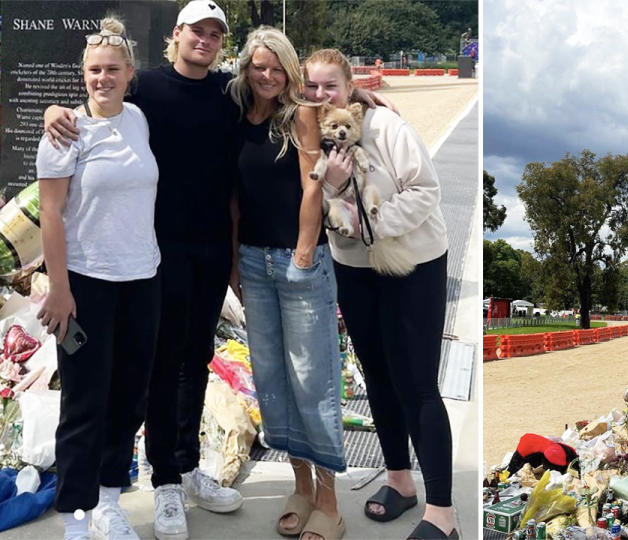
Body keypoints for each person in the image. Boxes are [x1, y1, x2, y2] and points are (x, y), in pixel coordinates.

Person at [42, 4, 393, 538]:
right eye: (196, 31)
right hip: (155, 255)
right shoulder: (146, 91)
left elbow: (289, 96)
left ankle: (186, 469)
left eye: (214, 34)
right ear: (177, 35)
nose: (205, 40)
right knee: (159, 369)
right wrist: (53, 112)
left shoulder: (231, 93)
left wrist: (356, 96)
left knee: (196, 359)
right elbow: (96, 100)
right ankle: (163, 482)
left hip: (211, 251)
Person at [303, 48, 459, 540]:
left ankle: (443, 513)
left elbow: (425, 190)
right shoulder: (311, 132)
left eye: (331, 85)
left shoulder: (387, 128)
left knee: (417, 382)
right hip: (355, 268)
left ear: (350, 86)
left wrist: (368, 227)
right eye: (314, 87)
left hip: (412, 261)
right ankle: (399, 481)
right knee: (378, 377)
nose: (322, 95)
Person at [36, 17, 161, 540]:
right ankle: (77, 515)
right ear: (82, 74)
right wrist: (60, 289)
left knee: (129, 396)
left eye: (112, 69)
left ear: (130, 73)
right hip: (87, 282)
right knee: (85, 401)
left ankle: (111, 499)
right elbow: (50, 212)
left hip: (143, 276)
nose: (102, 78)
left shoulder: (137, 118)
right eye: (94, 71)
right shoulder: (66, 131)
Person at [228, 28, 347, 540]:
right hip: (252, 261)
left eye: (277, 67)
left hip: (299, 260)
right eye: (259, 66)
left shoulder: (299, 114)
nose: (268, 75)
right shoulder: (235, 113)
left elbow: (311, 182)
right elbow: (232, 194)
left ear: (290, 69)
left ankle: (329, 499)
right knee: (272, 378)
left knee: (313, 378)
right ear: (246, 68)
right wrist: (234, 258)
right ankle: (299, 483)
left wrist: (303, 248)